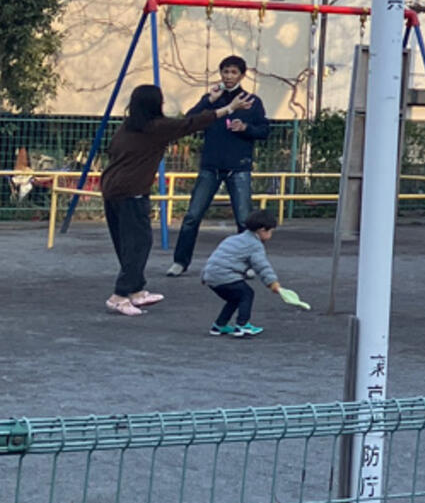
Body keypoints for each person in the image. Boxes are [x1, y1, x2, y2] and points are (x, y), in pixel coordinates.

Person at [99, 83, 219, 317]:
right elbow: (188, 125)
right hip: (131, 191)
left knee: (126, 242)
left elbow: (182, 123)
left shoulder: (127, 127)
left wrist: (209, 100)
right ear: (157, 104)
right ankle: (119, 295)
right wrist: (225, 109)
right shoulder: (155, 128)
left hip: (112, 188)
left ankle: (135, 289)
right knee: (139, 243)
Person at [165, 56, 271, 275]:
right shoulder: (212, 98)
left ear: (242, 75)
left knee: (244, 219)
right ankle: (181, 262)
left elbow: (264, 131)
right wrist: (209, 102)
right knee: (193, 216)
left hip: (238, 167)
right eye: (225, 72)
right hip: (210, 166)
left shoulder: (252, 101)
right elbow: (189, 121)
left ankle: (249, 263)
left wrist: (246, 128)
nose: (229, 76)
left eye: (233, 72)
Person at [203, 213, 291, 337]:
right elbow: (262, 266)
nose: (271, 235)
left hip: (211, 276)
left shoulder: (233, 239)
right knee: (247, 293)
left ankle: (219, 325)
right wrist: (272, 283)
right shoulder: (255, 245)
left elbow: (216, 257)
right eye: (271, 232)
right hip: (226, 276)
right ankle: (242, 325)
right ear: (262, 230)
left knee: (235, 299)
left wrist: (204, 275)